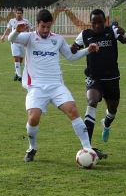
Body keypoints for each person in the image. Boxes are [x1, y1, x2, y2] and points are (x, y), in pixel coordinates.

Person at [8, 9, 100, 162]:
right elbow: (12, 38)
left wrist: (87, 50)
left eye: (48, 27)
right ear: (37, 24)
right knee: (33, 117)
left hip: (56, 86)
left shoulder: (57, 39)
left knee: (73, 110)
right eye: (42, 26)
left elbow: (70, 56)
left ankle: (88, 148)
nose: (45, 30)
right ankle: (32, 148)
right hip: (36, 87)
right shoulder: (29, 38)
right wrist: (16, 31)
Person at [71, 9, 126, 157]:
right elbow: (72, 50)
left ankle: (106, 124)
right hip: (94, 78)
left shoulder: (112, 31)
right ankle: (87, 146)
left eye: (100, 22)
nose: (97, 25)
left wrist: (124, 34)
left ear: (104, 21)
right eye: (94, 22)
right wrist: (73, 48)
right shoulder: (85, 34)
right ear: (91, 22)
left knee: (112, 111)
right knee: (92, 100)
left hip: (112, 79)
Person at [1, 7, 33, 82]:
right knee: (16, 57)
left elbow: (30, 30)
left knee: (21, 59)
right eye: (17, 13)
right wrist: (3, 36)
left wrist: (30, 37)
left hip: (22, 42)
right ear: (15, 13)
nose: (19, 14)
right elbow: (8, 29)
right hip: (14, 42)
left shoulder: (26, 21)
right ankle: (19, 76)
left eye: (20, 13)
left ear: (22, 14)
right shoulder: (12, 21)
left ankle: (16, 73)